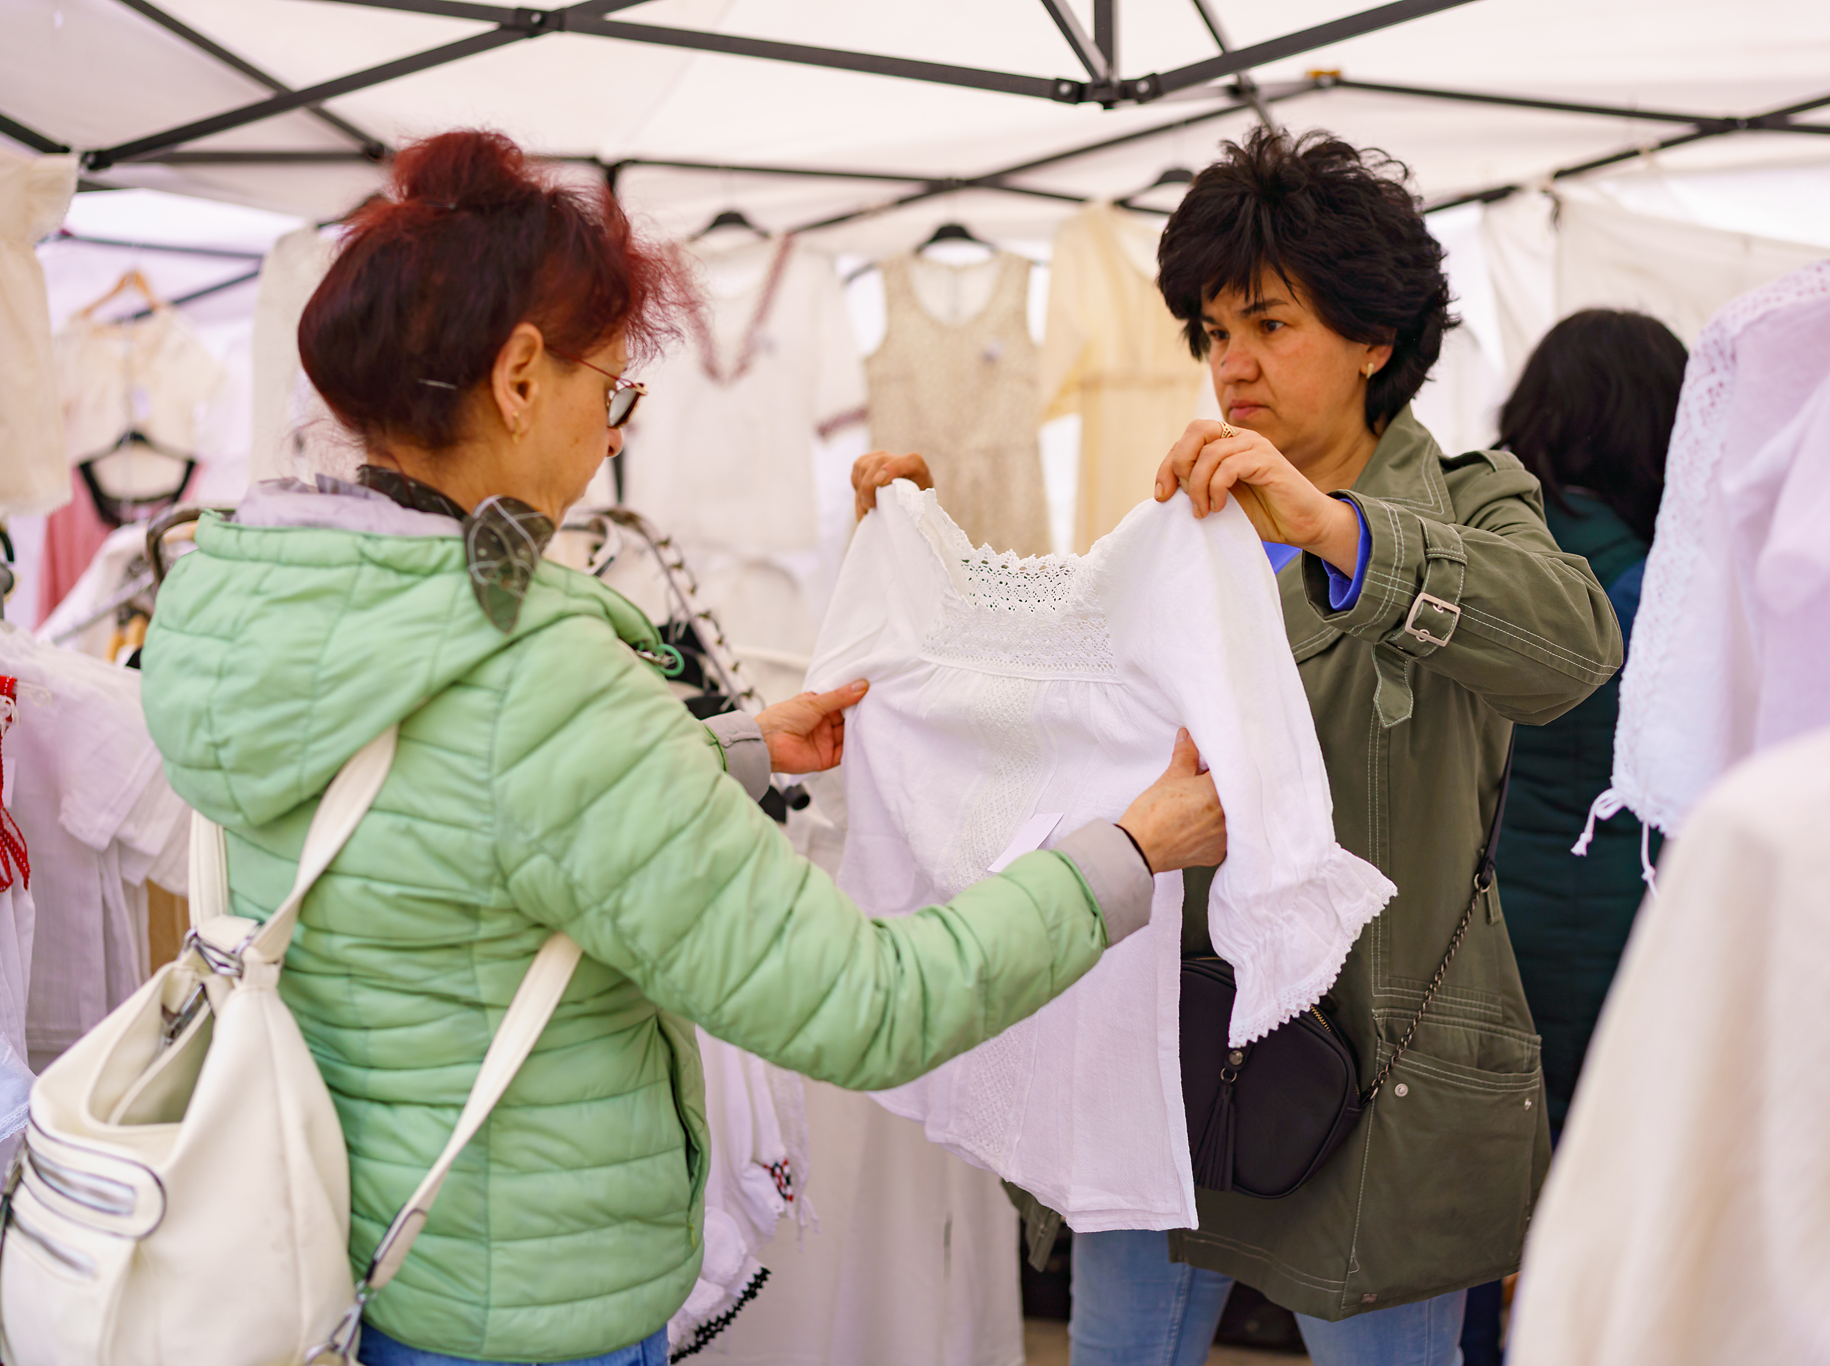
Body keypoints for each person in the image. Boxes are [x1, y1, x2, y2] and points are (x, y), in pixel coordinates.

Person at [139, 129, 1227, 1366]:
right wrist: (1128, 849)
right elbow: (864, 1005)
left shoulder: (250, 605)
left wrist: (728, 752)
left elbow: (445, 824)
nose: (612, 436)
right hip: (532, 1301)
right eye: (614, 392)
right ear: (517, 378)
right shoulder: (532, 675)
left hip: (351, 1248)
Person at [859, 127, 1623, 1366]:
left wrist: (1335, 530)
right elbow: (1055, 721)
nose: (1233, 366)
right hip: (1163, 1067)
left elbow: (1572, 649)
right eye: (1214, 334)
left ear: (1375, 337)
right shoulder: (1179, 525)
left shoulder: (1470, 504)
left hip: (1381, 1076)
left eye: (1269, 326)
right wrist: (921, 565)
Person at [1455, 308, 1689, 1365]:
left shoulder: (1482, 563)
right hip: (1636, 947)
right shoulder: (1675, 582)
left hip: (1481, 935)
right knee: (1603, 1233)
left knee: (1462, 1218)